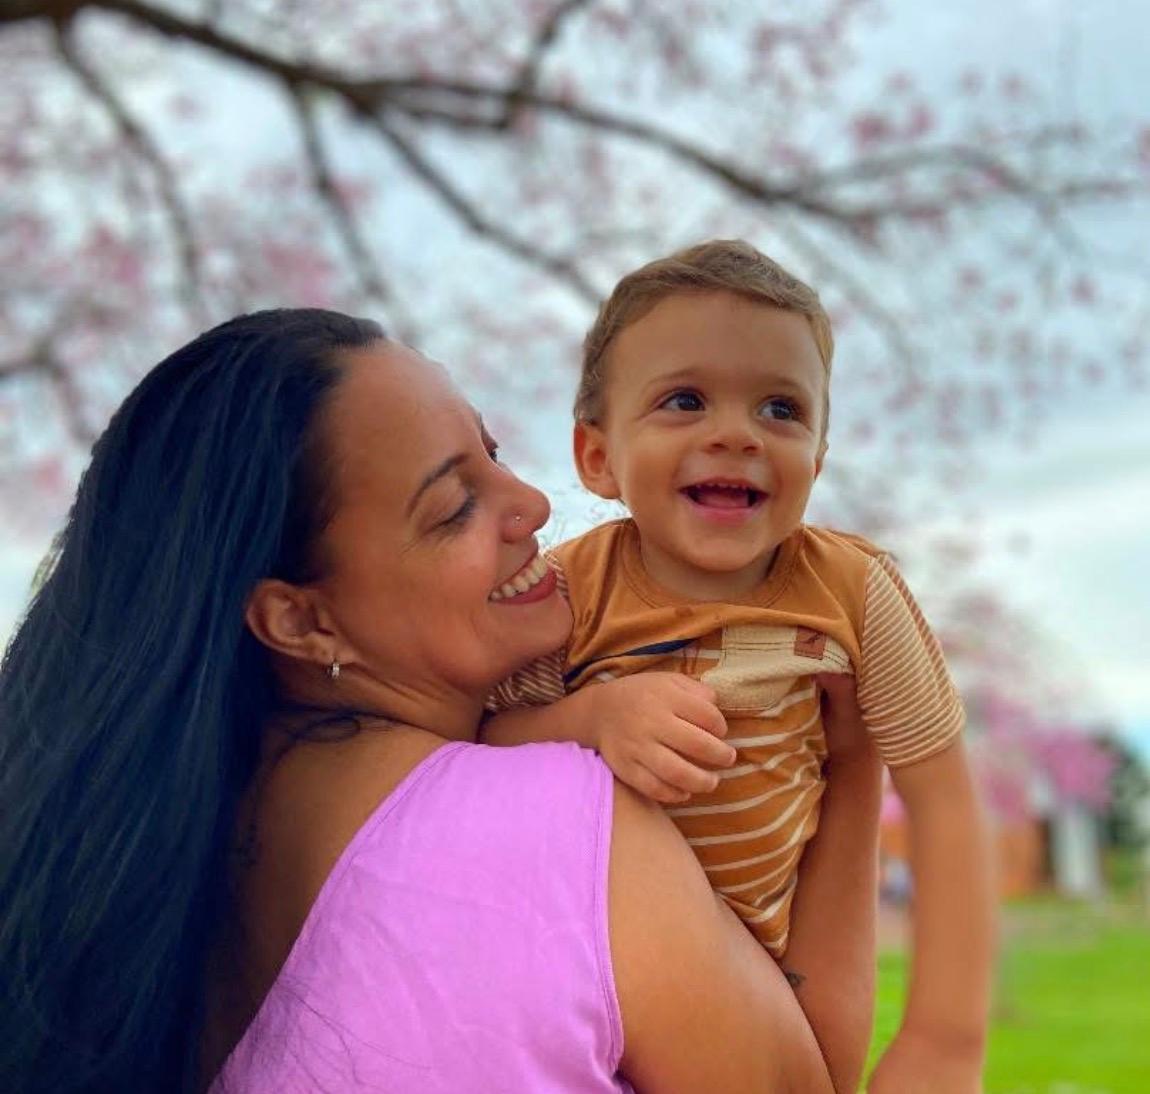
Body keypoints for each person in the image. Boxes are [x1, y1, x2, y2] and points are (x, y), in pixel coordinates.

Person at [0, 308, 883, 1093]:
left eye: (492, 456)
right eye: (457, 505)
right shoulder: (566, 830)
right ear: (300, 621)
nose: (532, 504)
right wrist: (854, 763)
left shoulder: (134, 878)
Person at [484, 240, 995, 1091]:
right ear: (597, 457)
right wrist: (590, 718)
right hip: (578, 968)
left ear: (818, 463)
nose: (736, 435)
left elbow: (944, 798)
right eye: (684, 400)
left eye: (781, 410)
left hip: (776, 969)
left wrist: (946, 1039)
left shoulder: (852, 591)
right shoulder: (569, 593)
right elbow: (482, 749)